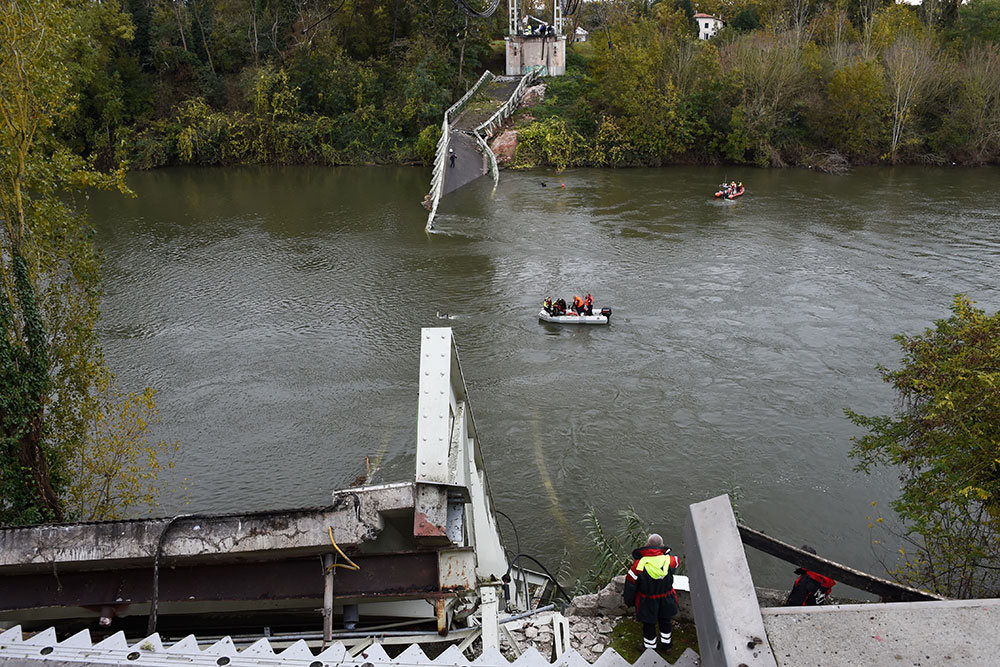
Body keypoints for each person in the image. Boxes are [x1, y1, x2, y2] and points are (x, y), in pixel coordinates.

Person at [624, 534, 680, 652]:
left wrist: (628, 601)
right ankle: (667, 645)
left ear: (647, 545)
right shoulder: (671, 560)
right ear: (662, 546)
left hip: (647, 600)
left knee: (649, 623)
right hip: (666, 597)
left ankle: (650, 647)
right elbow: (676, 563)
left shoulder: (639, 564)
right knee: (665, 620)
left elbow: (630, 584)